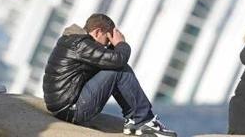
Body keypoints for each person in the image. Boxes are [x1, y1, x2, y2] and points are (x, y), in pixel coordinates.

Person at [42, 13, 177, 136]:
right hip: (71, 110)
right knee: (118, 70)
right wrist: (121, 44)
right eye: (107, 40)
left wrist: (113, 47)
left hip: (63, 107)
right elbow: (117, 60)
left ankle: (136, 120)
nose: (107, 45)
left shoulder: (73, 41)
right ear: (98, 31)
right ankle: (143, 120)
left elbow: (106, 62)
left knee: (116, 68)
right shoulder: (82, 45)